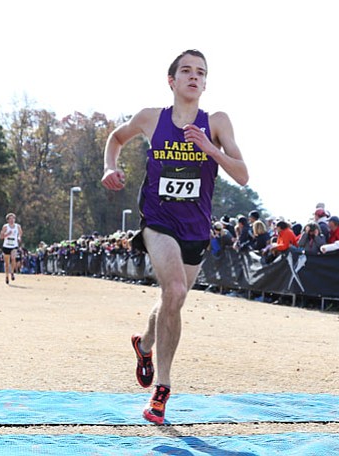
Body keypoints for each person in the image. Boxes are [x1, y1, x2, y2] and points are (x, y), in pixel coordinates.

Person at [101, 49, 248, 425]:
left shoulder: (216, 122)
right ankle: (162, 389)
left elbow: (243, 175)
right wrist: (109, 167)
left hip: (196, 228)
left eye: (201, 72)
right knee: (177, 291)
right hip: (158, 220)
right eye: (186, 71)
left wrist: (210, 149)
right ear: (172, 80)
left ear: (205, 82)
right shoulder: (152, 118)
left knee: (171, 300)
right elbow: (116, 139)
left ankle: (145, 344)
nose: (194, 77)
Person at [0, 212, 23, 285]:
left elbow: (20, 233)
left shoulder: (17, 226)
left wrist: (19, 237)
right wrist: (7, 234)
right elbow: (1, 237)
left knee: (13, 258)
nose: (12, 220)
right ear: (8, 220)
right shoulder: (5, 227)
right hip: (6, 246)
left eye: (13, 218)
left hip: (14, 245)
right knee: (6, 263)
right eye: (10, 219)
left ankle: (12, 272)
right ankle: (6, 276)